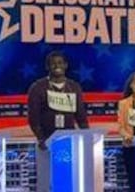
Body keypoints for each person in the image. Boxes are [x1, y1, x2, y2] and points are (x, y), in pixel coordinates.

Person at [28, 51, 89, 192]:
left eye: (60, 62)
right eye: (53, 63)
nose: (57, 65)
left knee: (69, 182)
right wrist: (41, 139)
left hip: (69, 144)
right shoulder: (37, 87)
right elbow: (33, 118)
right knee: (46, 184)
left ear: (66, 65)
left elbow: (81, 117)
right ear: (47, 66)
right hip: (46, 143)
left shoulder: (74, 88)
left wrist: (87, 138)